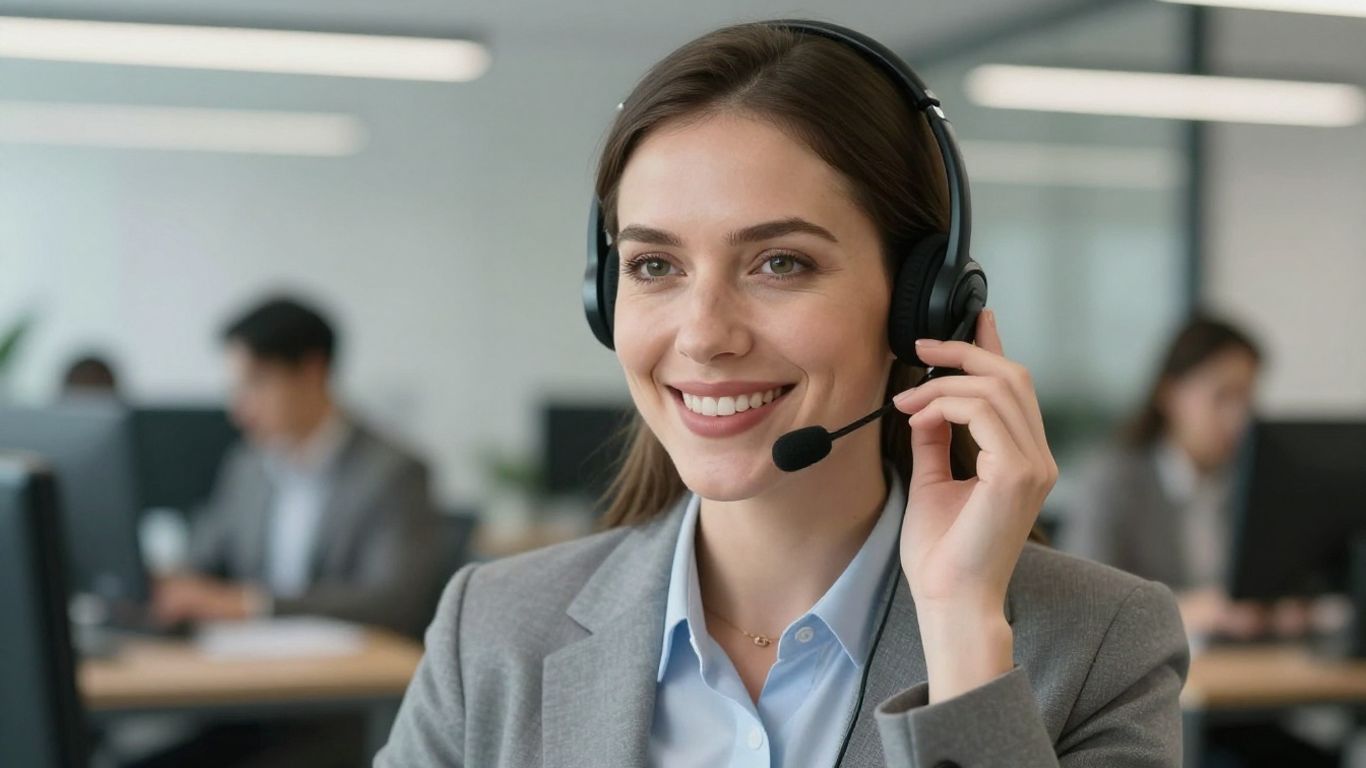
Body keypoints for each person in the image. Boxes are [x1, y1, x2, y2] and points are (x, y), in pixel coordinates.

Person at [379, 21, 1187, 767]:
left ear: (920, 302)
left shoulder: (1099, 643)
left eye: (781, 264)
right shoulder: (492, 629)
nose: (703, 335)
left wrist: (962, 639)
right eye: (654, 266)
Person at [151, 296, 441, 639]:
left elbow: (393, 602)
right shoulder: (248, 465)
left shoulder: (394, 472)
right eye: (236, 389)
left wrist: (254, 605)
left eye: (256, 383)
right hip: (246, 661)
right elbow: (203, 556)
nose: (239, 410)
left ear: (311, 371)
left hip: (346, 677)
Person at [1061, 315, 1284, 638]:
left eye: (1246, 398)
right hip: (1147, 666)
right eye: (1222, 396)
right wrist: (1194, 609)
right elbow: (1082, 604)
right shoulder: (1113, 480)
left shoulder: (1253, 484)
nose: (1239, 418)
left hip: (1240, 665)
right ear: (1170, 395)